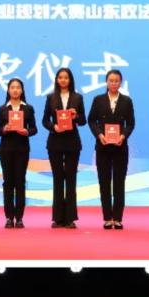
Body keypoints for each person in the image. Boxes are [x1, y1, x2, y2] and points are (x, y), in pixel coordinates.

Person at [87, 70, 135, 229]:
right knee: (104, 182)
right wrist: (99, 135)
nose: (113, 83)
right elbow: (91, 120)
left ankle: (118, 218)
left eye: (116, 81)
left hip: (120, 147)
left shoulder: (126, 101)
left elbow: (131, 123)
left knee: (119, 183)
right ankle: (108, 218)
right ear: (106, 82)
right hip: (103, 147)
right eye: (111, 80)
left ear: (121, 83)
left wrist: (123, 136)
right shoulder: (98, 100)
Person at [41, 67, 86, 228]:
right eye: (60, 77)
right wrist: (54, 127)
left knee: (71, 179)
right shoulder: (51, 97)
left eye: (66, 77)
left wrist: (76, 116)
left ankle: (70, 218)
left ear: (70, 80)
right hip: (55, 142)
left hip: (72, 143)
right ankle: (58, 218)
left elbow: (83, 121)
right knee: (58, 179)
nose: (63, 80)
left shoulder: (78, 97)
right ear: (57, 80)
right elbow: (45, 120)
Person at [0, 77, 38, 228]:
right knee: (8, 182)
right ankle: (9, 217)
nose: (15, 90)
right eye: (12, 87)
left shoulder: (28, 108)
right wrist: (4, 129)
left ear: (22, 90)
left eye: (18, 87)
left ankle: (20, 217)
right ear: (8, 90)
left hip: (22, 149)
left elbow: (34, 129)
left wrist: (26, 131)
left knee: (20, 182)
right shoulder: (3, 109)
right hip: (6, 149)